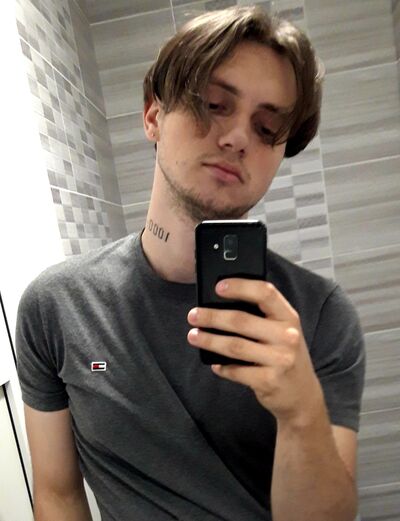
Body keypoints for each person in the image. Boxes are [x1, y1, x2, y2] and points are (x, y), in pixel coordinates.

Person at [16, 6, 365, 521]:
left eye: (267, 128)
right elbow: (58, 494)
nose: (238, 137)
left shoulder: (319, 316)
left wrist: (301, 415)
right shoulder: (56, 307)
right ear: (153, 116)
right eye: (214, 104)